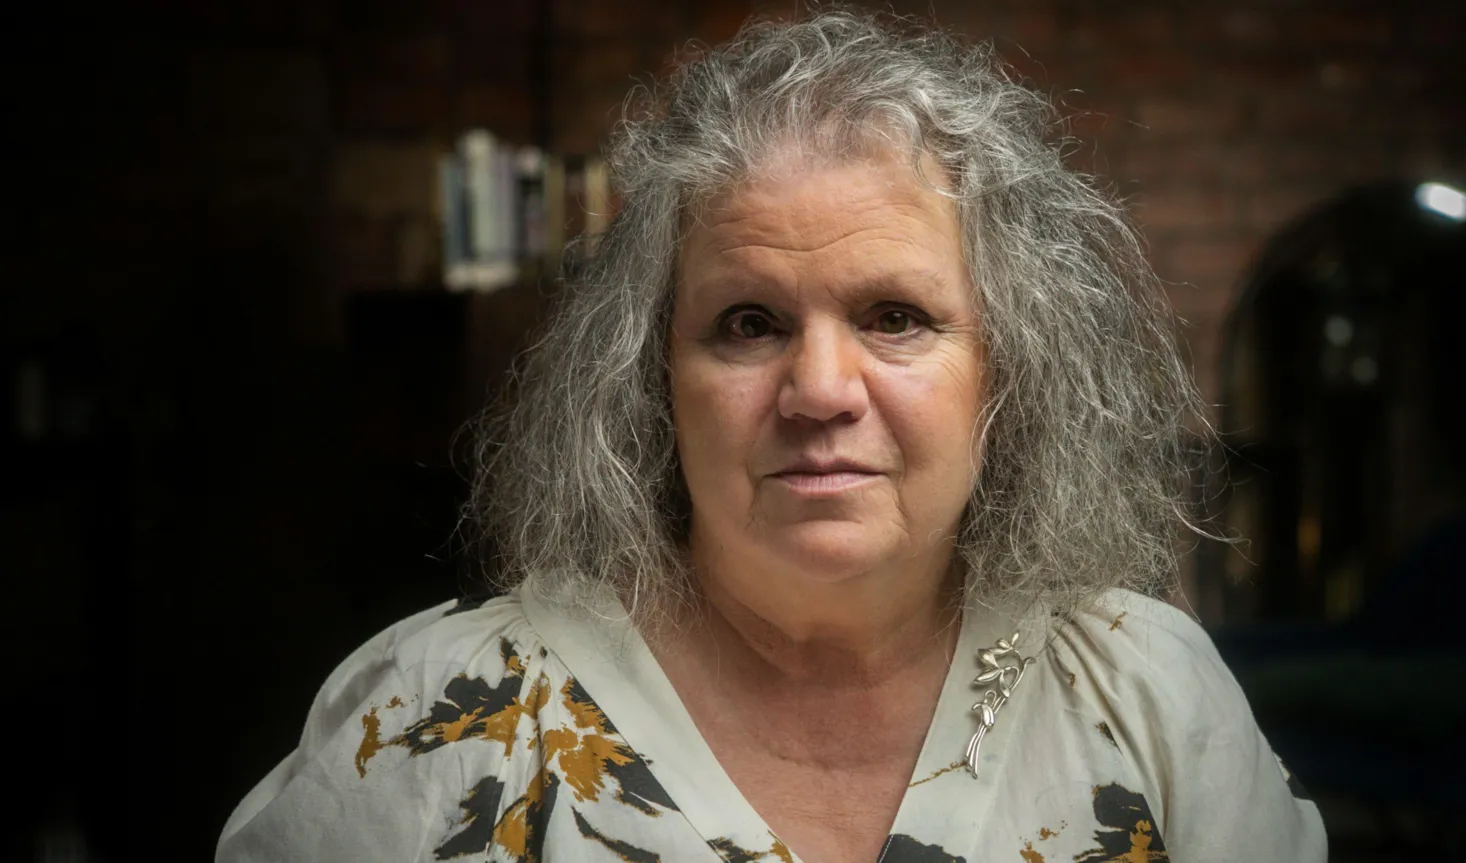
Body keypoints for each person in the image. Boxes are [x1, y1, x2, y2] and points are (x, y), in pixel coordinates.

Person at [216, 10, 1325, 862]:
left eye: (896, 316)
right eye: (748, 324)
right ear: (650, 382)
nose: (819, 388)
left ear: (1010, 369)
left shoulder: (1145, 691)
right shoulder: (439, 714)